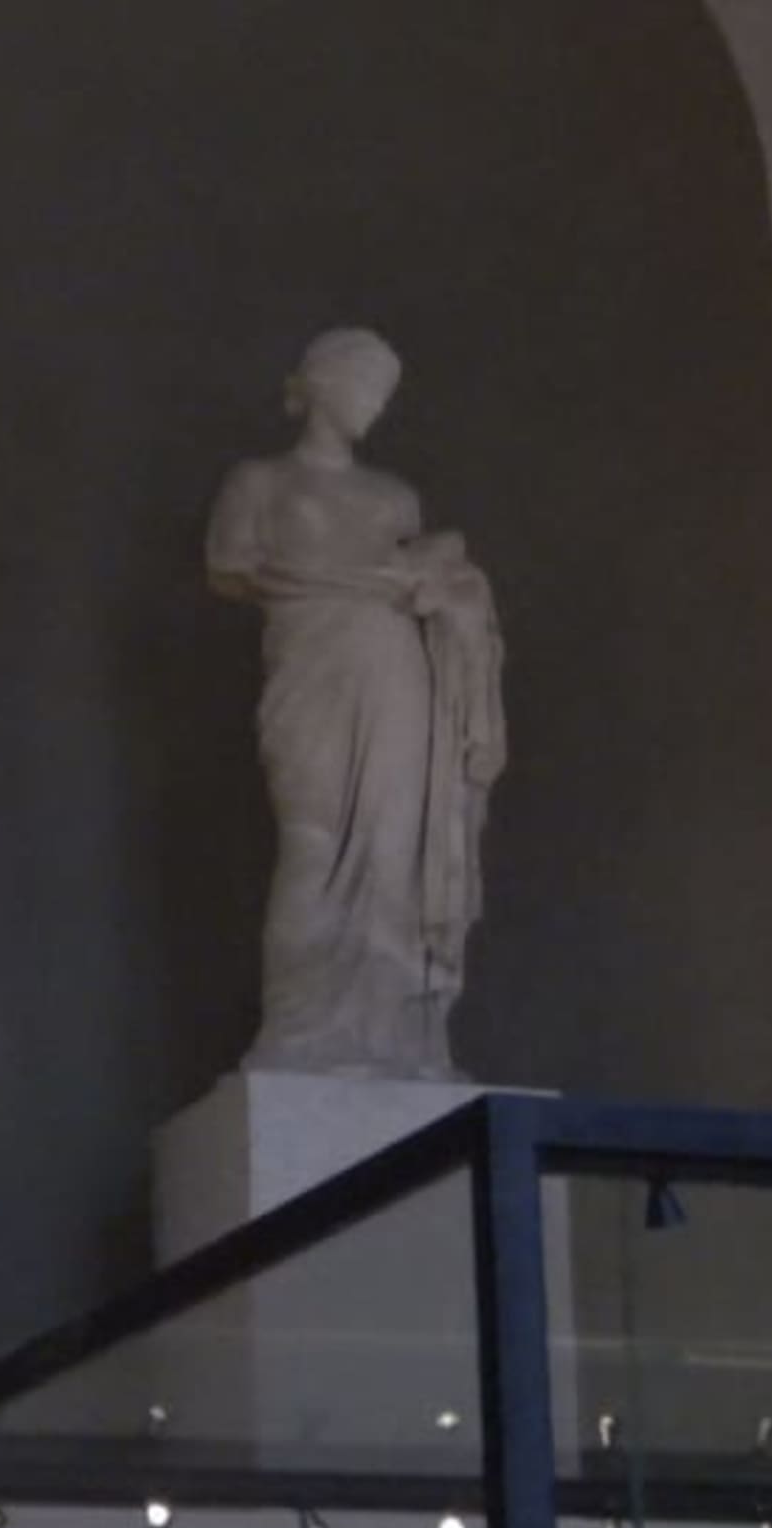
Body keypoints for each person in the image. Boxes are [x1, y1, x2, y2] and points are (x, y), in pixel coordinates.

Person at [207, 329, 504, 1079]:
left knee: (394, 854)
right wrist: (362, 577)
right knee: (311, 843)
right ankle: (294, 1034)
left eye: (383, 394)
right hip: (312, 672)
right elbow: (229, 564)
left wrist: (443, 585)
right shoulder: (261, 481)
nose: (374, 405)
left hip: (398, 676)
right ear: (322, 384)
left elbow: (425, 585)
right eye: (365, 387)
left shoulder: (394, 497)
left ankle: (397, 1039)